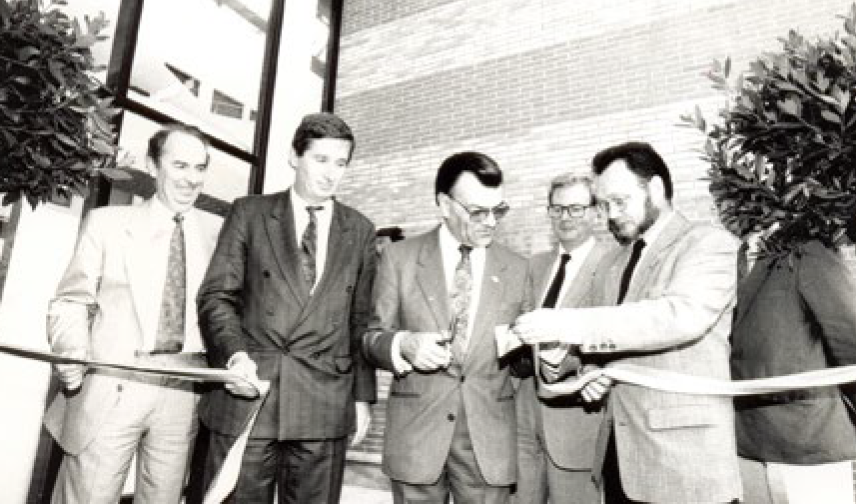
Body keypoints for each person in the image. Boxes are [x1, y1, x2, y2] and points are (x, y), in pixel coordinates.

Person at [514, 141, 742, 503]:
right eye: (604, 205)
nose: (610, 215)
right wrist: (586, 371)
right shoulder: (616, 263)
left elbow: (678, 316)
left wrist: (566, 324)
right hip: (620, 455)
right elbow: (617, 342)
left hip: (685, 459)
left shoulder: (707, 243)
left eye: (619, 201)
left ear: (656, 189)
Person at [196, 112, 377, 503]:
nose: (331, 173)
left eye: (341, 163)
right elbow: (216, 297)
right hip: (251, 393)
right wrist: (234, 356)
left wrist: (362, 399)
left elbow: (360, 320)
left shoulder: (360, 230)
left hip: (323, 403)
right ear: (295, 157)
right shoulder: (250, 213)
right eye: (321, 159)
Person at [44, 123, 222, 503]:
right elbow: (69, 302)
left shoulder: (217, 235)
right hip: (113, 386)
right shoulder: (108, 223)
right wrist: (70, 351)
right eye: (180, 166)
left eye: (200, 167)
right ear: (153, 165)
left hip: (181, 395)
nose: (191, 179)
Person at [362, 151, 530, 504]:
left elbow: (522, 362)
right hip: (417, 436)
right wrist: (404, 344)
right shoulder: (399, 258)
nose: (490, 222)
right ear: (444, 204)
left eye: (498, 210)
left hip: (487, 444)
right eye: (478, 211)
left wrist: (545, 351)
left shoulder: (518, 268)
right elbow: (369, 337)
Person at [731, 229, 856, 503]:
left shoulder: (809, 251)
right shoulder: (737, 255)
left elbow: (849, 338)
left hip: (808, 444)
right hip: (748, 444)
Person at [513, 174, 613, 504]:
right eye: (557, 209)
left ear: (597, 212)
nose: (565, 218)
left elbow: (614, 339)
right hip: (526, 416)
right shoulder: (535, 265)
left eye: (575, 208)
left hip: (577, 419)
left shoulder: (613, 264)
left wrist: (569, 363)